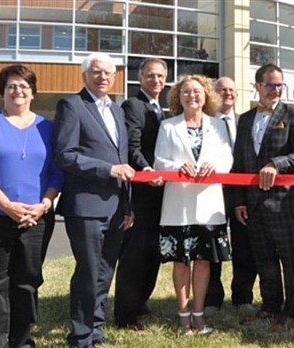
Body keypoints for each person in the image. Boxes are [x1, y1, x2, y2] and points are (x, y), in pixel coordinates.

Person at [0, 64, 62, 348]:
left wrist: (44, 204)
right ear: (2, 91)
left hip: (35, 219)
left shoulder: (47, 128)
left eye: (24, 86)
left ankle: (22, 340)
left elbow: (57, 171)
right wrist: (6, 205)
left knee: (27, 282)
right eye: (12, 86)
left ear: (33, 93)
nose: (18, 91)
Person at [54, 52, 135, 348]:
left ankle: (95, 331)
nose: (103, 77)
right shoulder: (72, 105)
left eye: (108, 73)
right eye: (96, 72)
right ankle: (80, 336)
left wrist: (128, 206)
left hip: (116, 208)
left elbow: (122, 157)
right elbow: (65, 155)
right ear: (85, 75)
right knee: (88, 271)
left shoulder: (116, 111)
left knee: (104, 272)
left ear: (114, 77)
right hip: (86, 206)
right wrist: (108, 170)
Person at [232, 63, 294, 332]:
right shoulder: (244, 119)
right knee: (263, 258)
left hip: (283, 202)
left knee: (290, 258)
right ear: (257, 85)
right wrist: (239, 200)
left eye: (279, 85)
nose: (275, 90)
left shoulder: (293, 115)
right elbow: (239, 163)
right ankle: (270, 306)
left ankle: (292, 310)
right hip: (252, 203)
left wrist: (276, 163)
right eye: (270, 84)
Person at [154, 74, 233, 335]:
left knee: (203, 261)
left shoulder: (217, 125)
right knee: (181, 262)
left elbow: (227, 159)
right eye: (186, 92)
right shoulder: (168, 126)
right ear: (178, 96)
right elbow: (159, 161)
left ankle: (199, 315)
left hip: (209, 203)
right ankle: (183, 316)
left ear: (206, 96)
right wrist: (177, 167)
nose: (192, 96)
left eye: (197, 92)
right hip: (179, 204)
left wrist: (215, 166)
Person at [114, 58, 167, 330]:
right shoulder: (132, 106)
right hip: (142, 192)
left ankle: (141, 302)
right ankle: (125, 314)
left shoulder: (162, 110)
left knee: (152, 252)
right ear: (140, 77)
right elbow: (132, 147)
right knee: (135, 254)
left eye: (160, 76)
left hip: (160, 194)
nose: (155, 80)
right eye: (150, 75)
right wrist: (148, 170)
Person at [205, 76, 258, 315]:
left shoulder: (246, 122)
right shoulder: (204, 123)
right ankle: (211, 299)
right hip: (211, 193)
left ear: (237, 94)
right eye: (221, 90)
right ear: (214, 94)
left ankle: (243, 296)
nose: (227, 93)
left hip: (242, 194)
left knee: (245, 246)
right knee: (211, 245)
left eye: (231, 90)